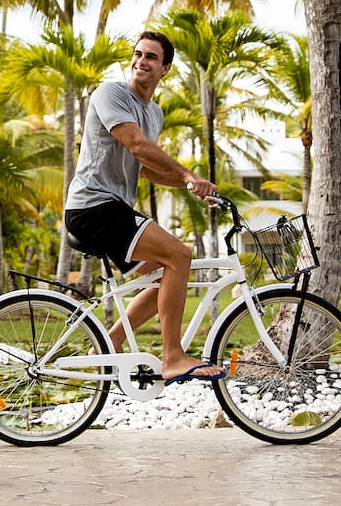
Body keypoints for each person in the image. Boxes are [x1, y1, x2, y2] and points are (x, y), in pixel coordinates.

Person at [63, 29, 225, 383]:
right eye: (138, 54)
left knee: (168, 276)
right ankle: (173, 357)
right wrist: (184, 171)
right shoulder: (112, 93)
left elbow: (148, 169)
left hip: (113, 210)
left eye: (152, 57)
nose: (142, 61)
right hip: (92, 207)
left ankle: (108, 343)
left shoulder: (155, 114)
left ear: (165, 68)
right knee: (179, 256)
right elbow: (136, 145)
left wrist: (191, 184)